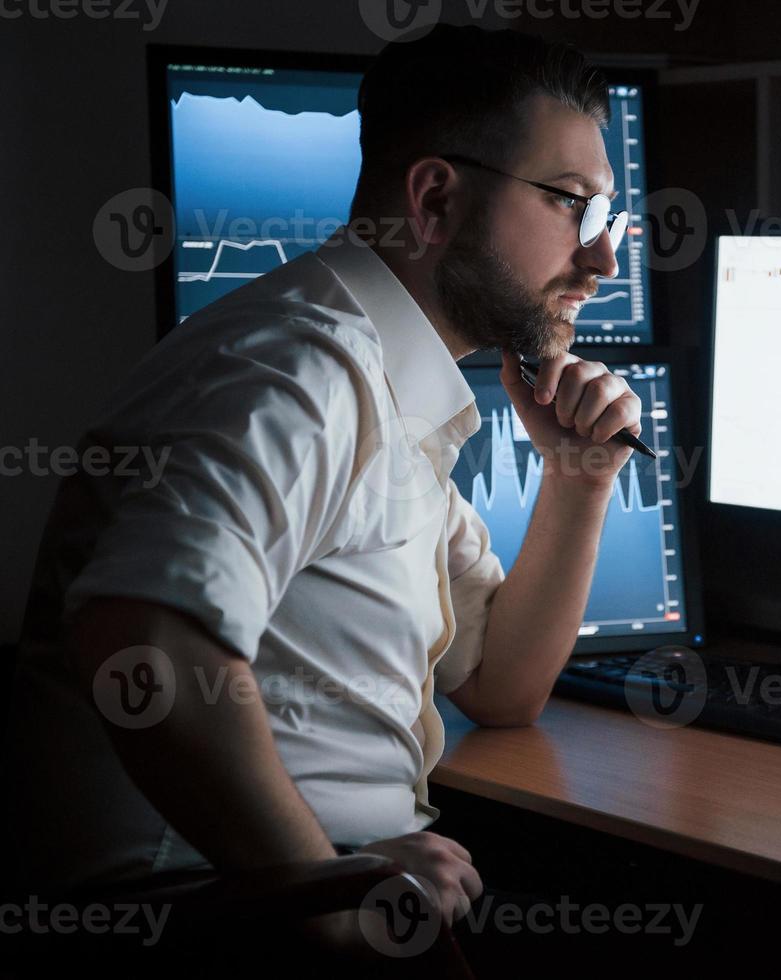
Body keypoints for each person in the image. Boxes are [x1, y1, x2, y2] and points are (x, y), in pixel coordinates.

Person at [3, 23, 643, 966]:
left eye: (608, 223)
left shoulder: (389, 379)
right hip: (203, 909)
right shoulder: (303, 370)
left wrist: (579, 476)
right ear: (434, 199)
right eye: (573, 207)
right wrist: (328, 894)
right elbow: (143, 641)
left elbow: (503, 685)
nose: (603, 262)